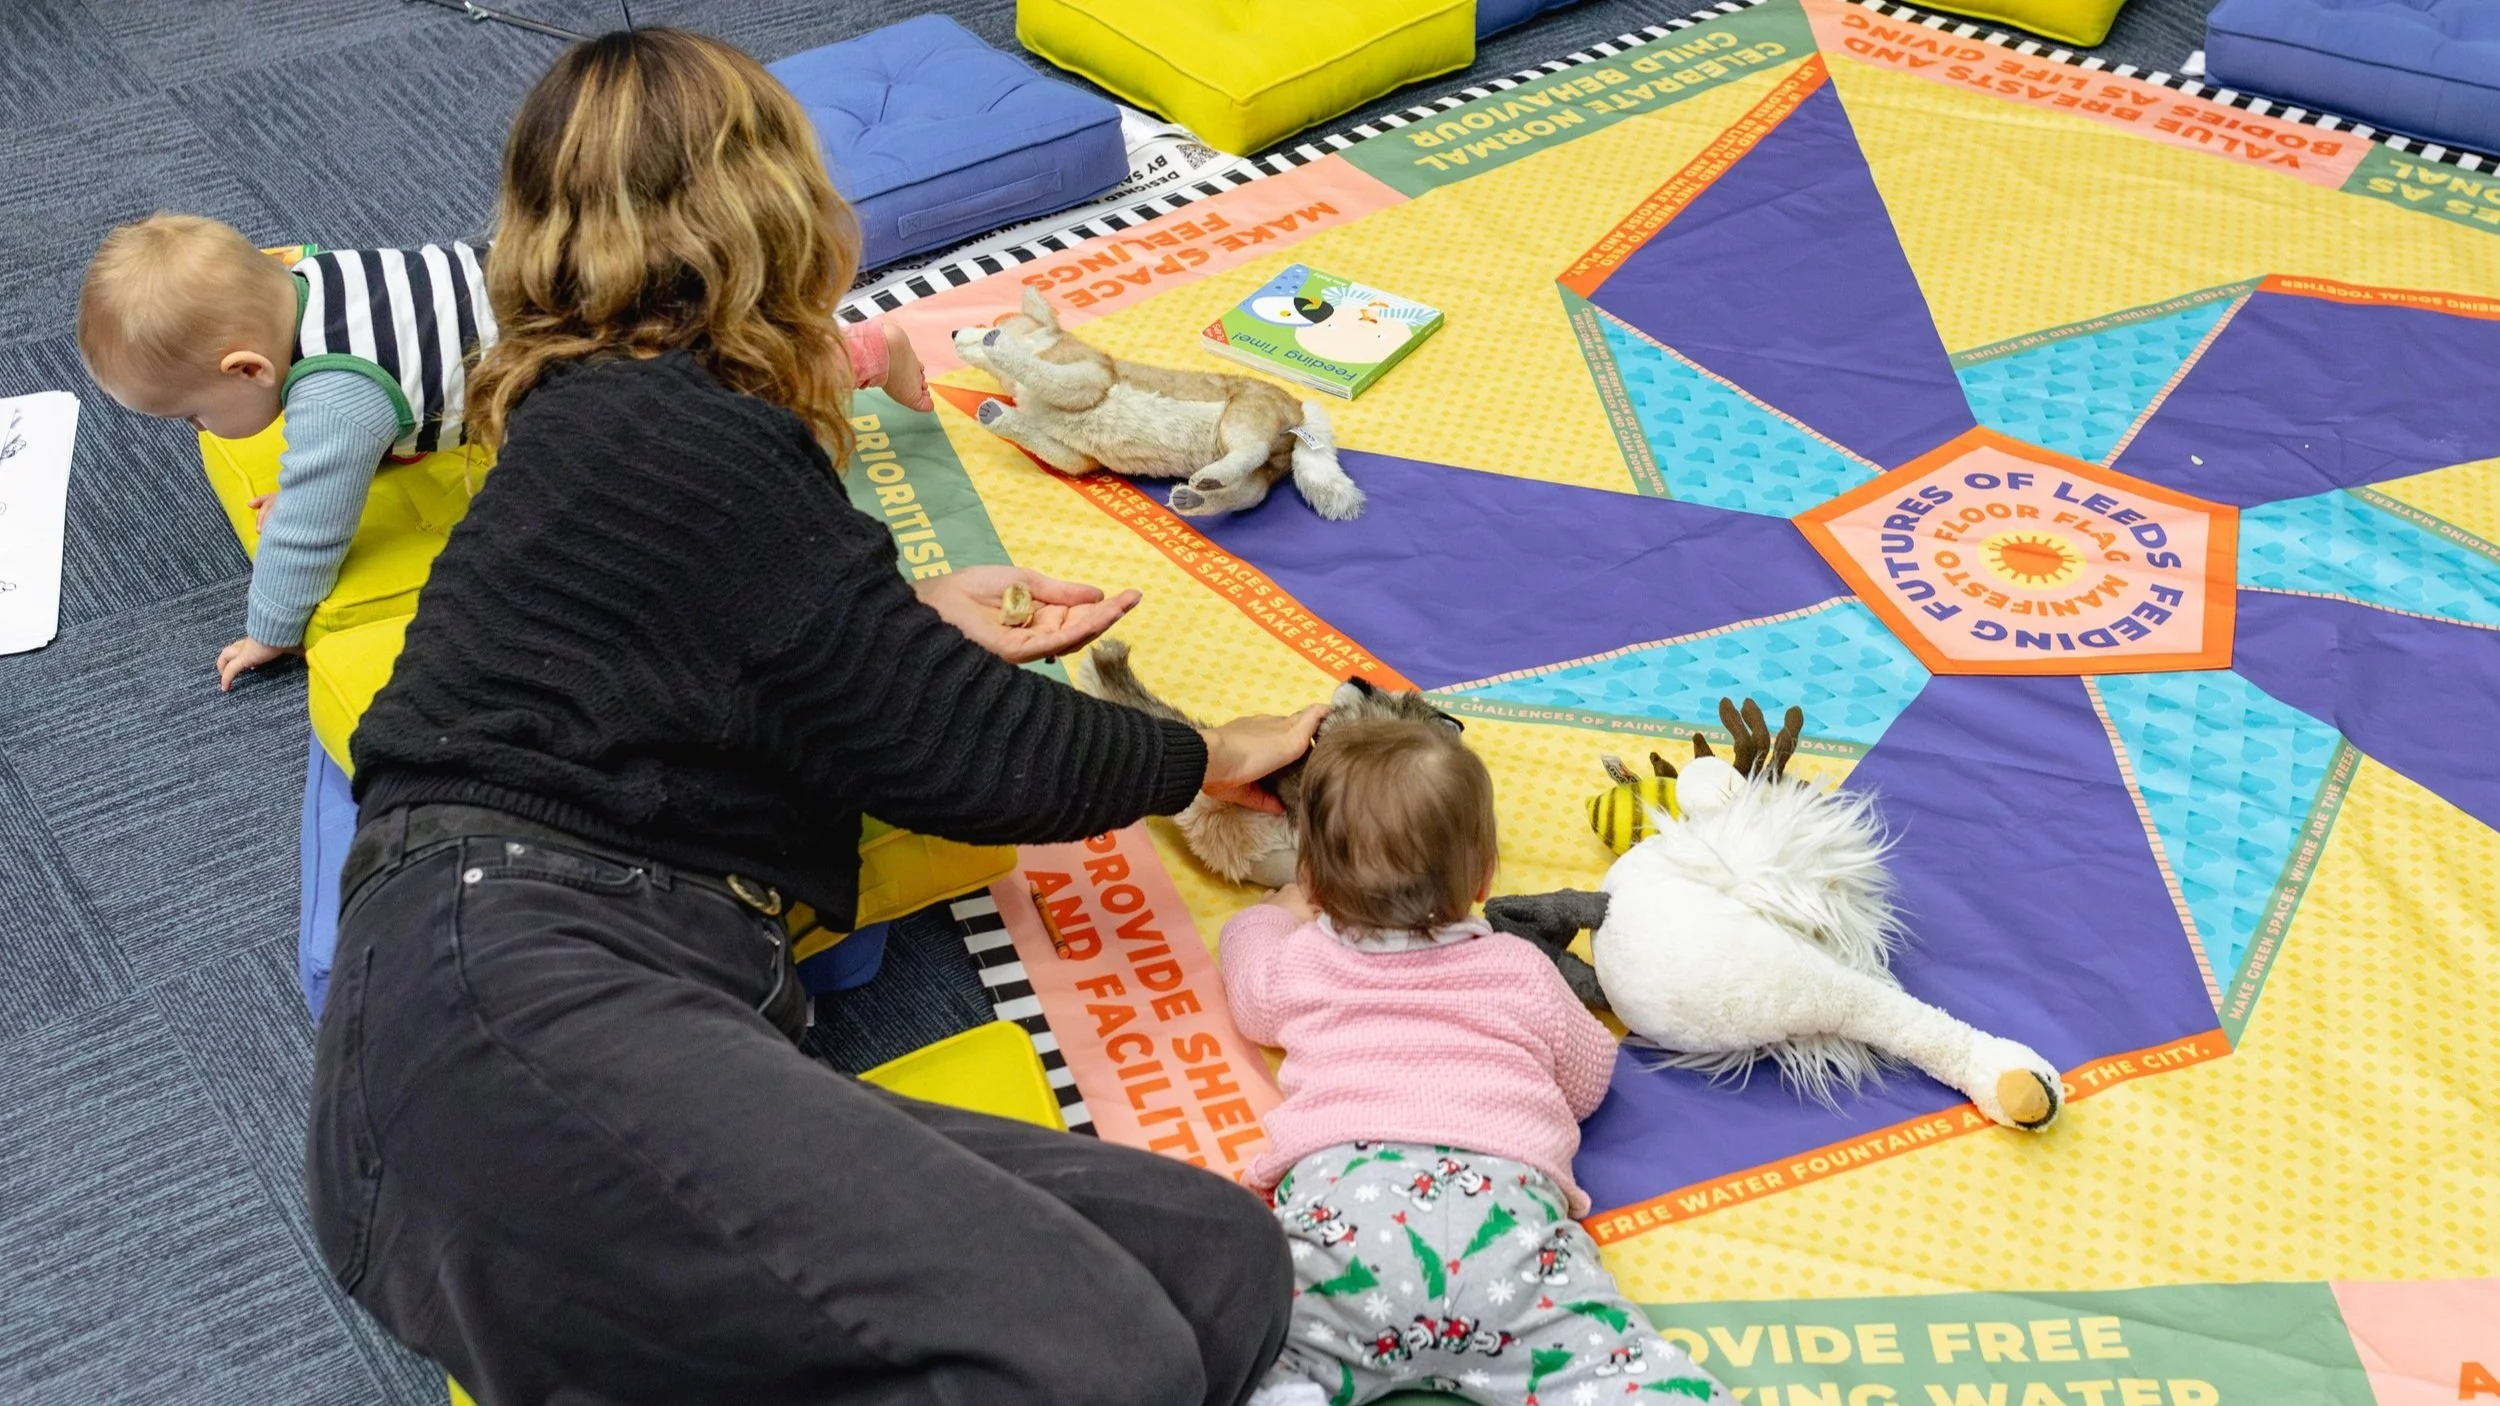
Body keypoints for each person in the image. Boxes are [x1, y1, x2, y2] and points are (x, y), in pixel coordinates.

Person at [304, 28, 1311, 1406]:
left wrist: (901, 622)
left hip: (554, 1007)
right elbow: (976, 753)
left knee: (1223, 1261)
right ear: (775, 215)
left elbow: (761, 661)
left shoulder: (608, 424)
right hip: (505, 1002)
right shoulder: (688, 436)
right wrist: (1207, 755)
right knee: (1104, 1356)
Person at [73, 213, 931, 691]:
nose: (199, 433)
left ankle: (859, 354)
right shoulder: (304, 271)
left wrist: (272, 628)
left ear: (249, 368)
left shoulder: (333, 398)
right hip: (545, 287)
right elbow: (401, 366)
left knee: (726, 393)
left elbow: (307, 528)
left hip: (579, 357)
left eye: (193, 415)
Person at [1217, 719, 1728, 1406]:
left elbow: (1249, 988)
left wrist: (1270, 917)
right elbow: (1587, 1079)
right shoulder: (1518, 968)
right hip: (1505, 1231)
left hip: (1343, 1226)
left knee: (1249, 1361)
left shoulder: (1305, 961)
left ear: (1310, 878)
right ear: (1486, 875)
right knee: (1616, 1370)